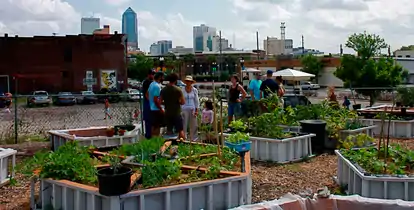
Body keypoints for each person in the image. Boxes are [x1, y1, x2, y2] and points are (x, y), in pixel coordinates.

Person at [160, 73, 186, 139]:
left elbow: (160, 101)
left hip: (168, 112)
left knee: (169, 131)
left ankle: (169, 144)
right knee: (180, 130)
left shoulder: (163, 90)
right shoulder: (178, 90)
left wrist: (166, 103)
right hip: (176, 112)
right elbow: (183, 102)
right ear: (176, 80)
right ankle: (182, 143)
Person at [181, 75, 199, 141]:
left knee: (194, 124)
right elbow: (180, 100)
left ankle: (193, 139)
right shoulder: (182, 89)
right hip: (184, 108)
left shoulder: (194, 90)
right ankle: (183, 138)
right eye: (187, 81)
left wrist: (196, 110)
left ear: (191, 82)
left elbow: (196, 100)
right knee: (184, 123)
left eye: (189, 81)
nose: (188, 83)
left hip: (192, 108)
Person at [147, 72, 164, 137]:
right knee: (157, 127)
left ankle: (153, 141)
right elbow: (156, 100)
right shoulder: (157, 86)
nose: (163, 78)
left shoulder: (151, 84)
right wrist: (161, 109)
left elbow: (147, 94)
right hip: (156, 109)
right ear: (160, 77)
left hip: (151, 108)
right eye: (162, 77)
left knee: (153, 126)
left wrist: (150, 101)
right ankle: (156, 140)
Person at [141, 70, 155, 139]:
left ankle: (151, 134)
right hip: (148, 103)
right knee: (148, 120)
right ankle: (148, 135)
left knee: (152, 120)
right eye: (151, 74)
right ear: (148, 75)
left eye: (153, 74)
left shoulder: (152, 82)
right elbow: (147, 94)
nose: (152, 76)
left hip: (150, 102)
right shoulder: (146, 82)